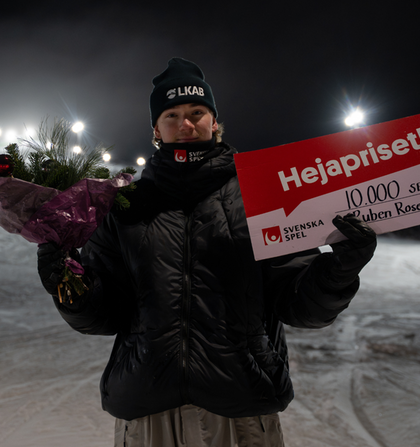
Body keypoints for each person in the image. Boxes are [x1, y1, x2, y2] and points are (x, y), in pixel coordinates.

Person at [37, 57, 376, 447]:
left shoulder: (259, 197)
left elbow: (299, 304)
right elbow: (104, 314)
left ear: (214, 121)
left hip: (240, 404)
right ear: (155, 129)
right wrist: (69, 285)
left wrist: (340, 268)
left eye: (197, 112)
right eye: (172, 114)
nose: (186, 123)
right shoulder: (125, 207)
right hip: (149, 406)